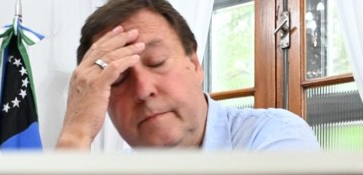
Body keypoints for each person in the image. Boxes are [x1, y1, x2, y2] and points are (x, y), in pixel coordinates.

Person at [56, 0, 320, 151]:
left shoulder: (274, 135)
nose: (143, 89)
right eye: (118, 78)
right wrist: (75, 134)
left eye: (157, 62)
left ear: (194, 64)